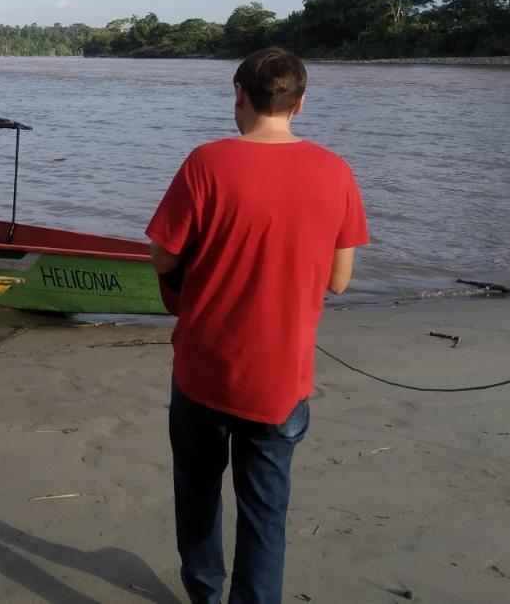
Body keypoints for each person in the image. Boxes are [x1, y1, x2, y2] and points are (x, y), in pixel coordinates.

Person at [146, 47, 369, 604]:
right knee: (265, 511)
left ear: (239, 96)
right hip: (281, 379)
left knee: (197, 494)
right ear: (300, 103)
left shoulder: (207, 163)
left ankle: (203, 593)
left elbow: (162, 258)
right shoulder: (335, 171)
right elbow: (339, 281)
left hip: (203, 370)